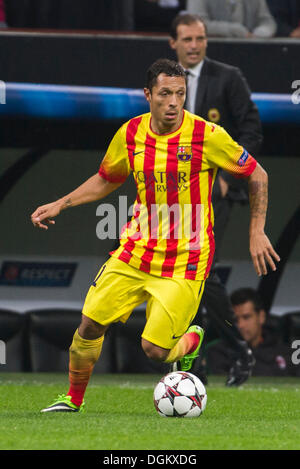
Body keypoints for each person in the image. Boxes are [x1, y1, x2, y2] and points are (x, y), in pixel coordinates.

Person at [31, 58, 279, 412]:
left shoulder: (207, 135)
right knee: (88, 325)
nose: (174, 102)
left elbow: (258, 175)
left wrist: (256, 231)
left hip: (186, 262)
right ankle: (72, 399)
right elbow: (107, 178)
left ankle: (191, 341)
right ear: (148, 95)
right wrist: (62, 203)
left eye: (180, 93)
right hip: (135, 251)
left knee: (155, 351)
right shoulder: (130, 133)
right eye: (165, 93)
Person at [169, 13, 263, 385]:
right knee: (185, 276)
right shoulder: (164, 82)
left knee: (200, 272)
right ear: (173, 43)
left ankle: (236, 350)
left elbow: (252, 131)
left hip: (214, 195)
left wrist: (225, 180)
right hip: (174, 198)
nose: (194, 45)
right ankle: (201, 363)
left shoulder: (227, 78)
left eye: (200, 39)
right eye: (187, 39)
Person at [206, 288, 300, 377]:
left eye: (246, 317)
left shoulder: (286, 353)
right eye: (235, 319)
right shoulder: (218, 352)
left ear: (261, 317)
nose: (241, 325)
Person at [186, 0, 276, 38]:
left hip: (249, 52)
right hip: (213, 52)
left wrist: (259, 34)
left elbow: (267, 21)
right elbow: (196, 23)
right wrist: (237, 30)